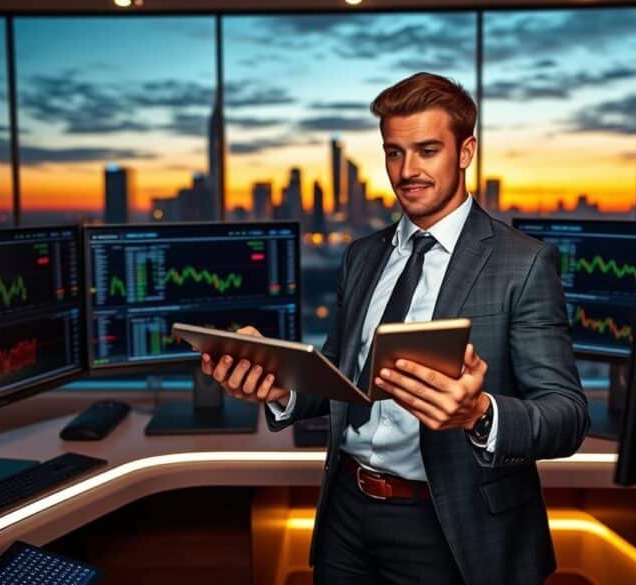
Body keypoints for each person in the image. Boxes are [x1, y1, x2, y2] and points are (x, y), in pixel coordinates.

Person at [200, 72, 589, 585]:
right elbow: (341, 378)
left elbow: (567, 414)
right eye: (394, 153)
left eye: (427, 150)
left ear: (466, 151)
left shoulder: (523, 263)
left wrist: (479, 413)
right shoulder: (362, 256)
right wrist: (278, 384)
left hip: (450, 525)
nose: (408, 171)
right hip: (346, 510)